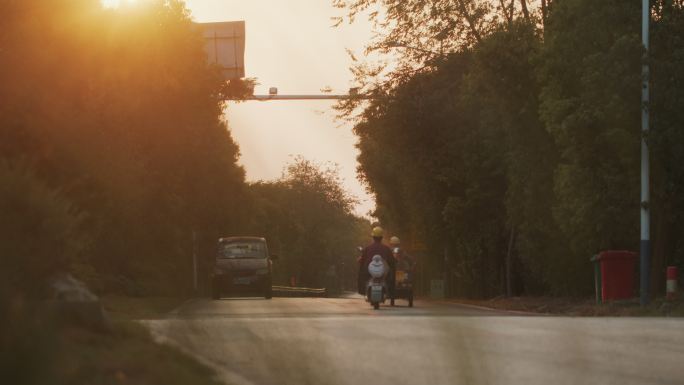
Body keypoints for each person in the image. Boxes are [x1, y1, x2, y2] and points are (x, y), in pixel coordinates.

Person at [357, 226, 395, 295]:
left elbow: (362, 260)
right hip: (383, 273)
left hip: (369, 272)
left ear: (373, 237)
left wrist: (361, 260)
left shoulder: (368, 248)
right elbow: (392, 261)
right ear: (381, 238)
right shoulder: (386, 248)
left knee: (361, 271)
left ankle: (361, 290)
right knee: (392, 272)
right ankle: (392, 290)